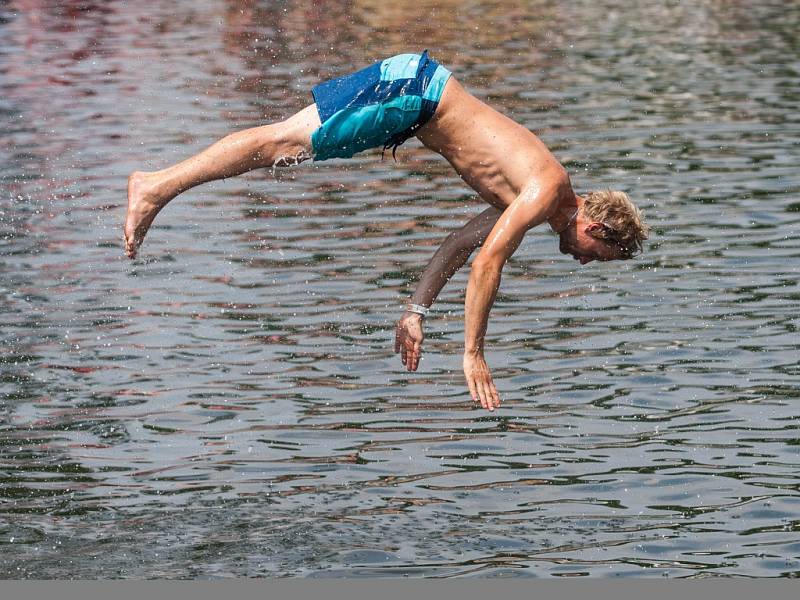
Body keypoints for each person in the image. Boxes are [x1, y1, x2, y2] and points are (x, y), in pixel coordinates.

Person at [124, 51, 649, 412]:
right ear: (596, 226)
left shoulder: (533, 203)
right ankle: (156, 188)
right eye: (595, 255)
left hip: (413, 97)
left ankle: (158, 187)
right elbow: (489, 262)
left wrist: (415, 312)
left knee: (284, 149)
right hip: (415, 94)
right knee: (281, 145)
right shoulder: (547, 187)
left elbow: (460, 246)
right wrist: (473, 352)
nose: (582, 262)